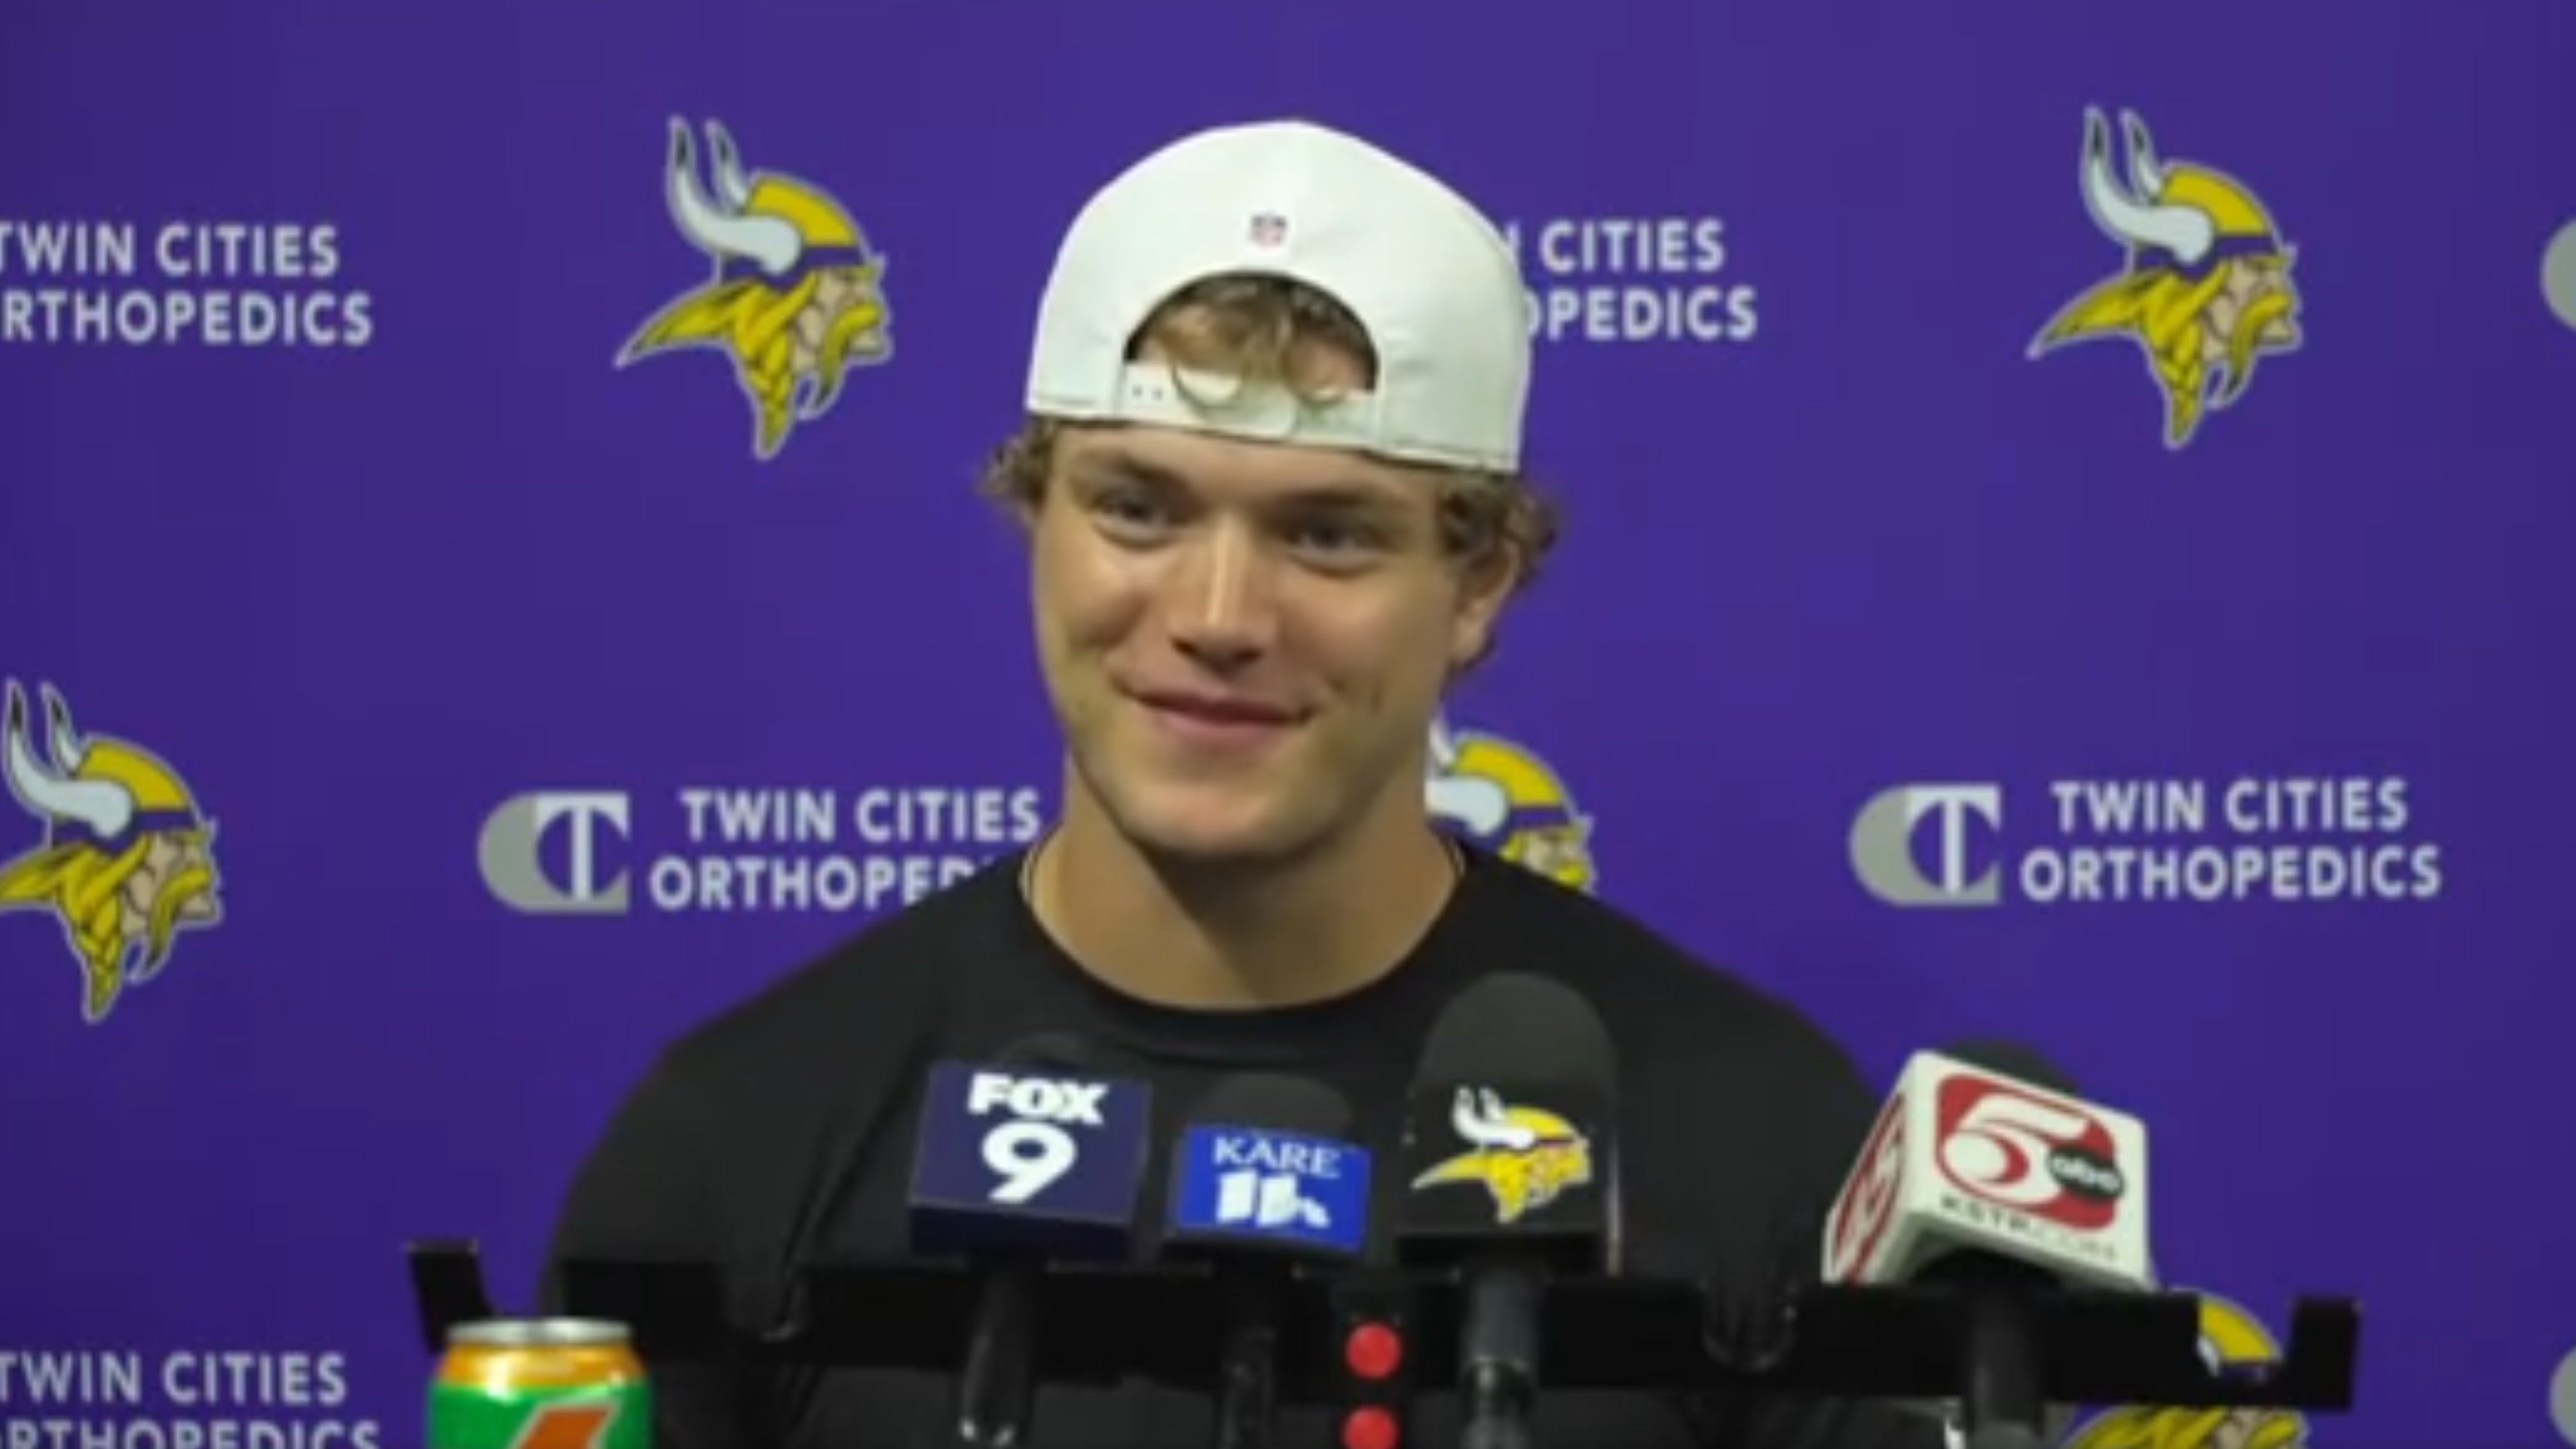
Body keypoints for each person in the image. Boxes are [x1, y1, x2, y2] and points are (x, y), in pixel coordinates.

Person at [544, 117, 1941, 1449]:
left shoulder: (1748, 1138)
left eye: (1328, 535)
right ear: (1036, 517)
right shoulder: (739, 1143)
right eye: (1137, 508)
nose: (1218, 613)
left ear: (1478, 584)